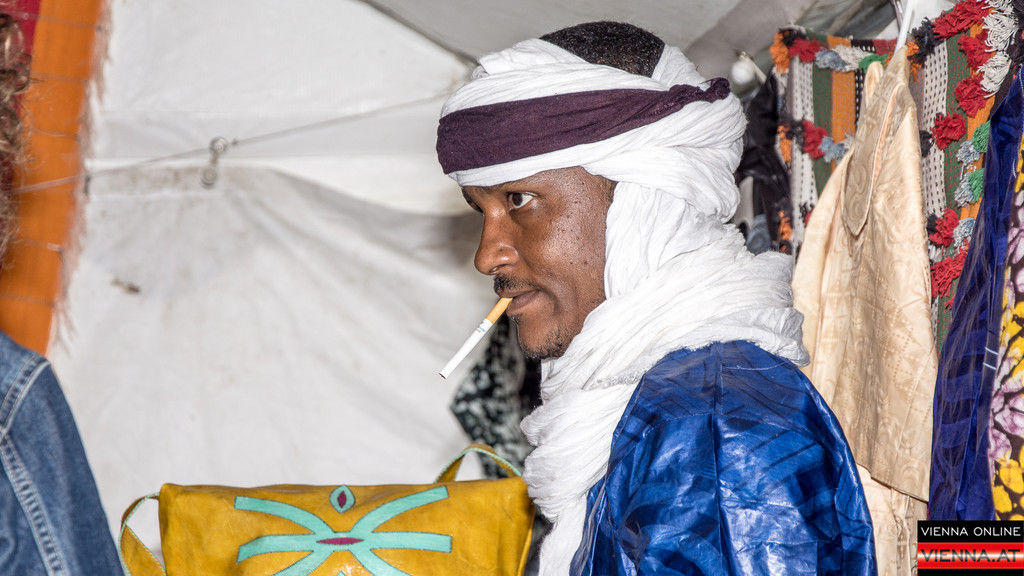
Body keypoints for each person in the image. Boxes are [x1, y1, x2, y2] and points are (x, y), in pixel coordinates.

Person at [436, 21, 877, 576]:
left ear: (644, 196)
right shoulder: (665, 406)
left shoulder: (713, 421)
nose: (487, 256)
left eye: (519, 199)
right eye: (481, 211)